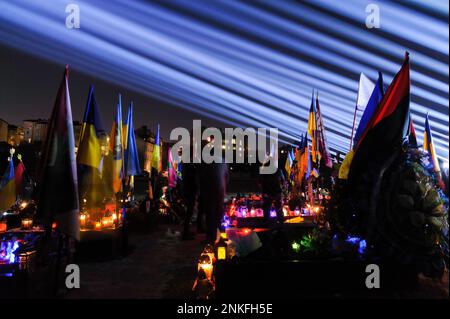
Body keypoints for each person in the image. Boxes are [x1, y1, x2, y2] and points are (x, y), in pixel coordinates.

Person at [198, 138, 228, 244]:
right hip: (219, 191)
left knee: (211, 215)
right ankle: (217, 237)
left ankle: (211, 237)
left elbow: (202, 177)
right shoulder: (222, 162)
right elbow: (226, 176)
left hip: (211, 192)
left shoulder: (207, 163)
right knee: (217, 215)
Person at [258, 159, 284, 224]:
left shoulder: (264, 170)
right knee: (278, 210)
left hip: (268, 193)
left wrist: (263, 192)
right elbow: (283, 180)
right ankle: (280, 224)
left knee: (267, 211)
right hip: (275, 192)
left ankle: (268, 224)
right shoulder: (278, 170)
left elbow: (260, 182)